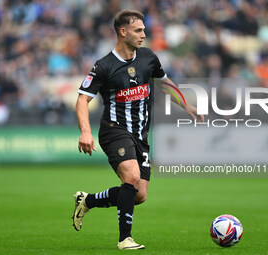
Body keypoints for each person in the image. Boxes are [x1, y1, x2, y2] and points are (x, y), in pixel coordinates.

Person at [73, 10, 204, 250]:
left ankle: (88, 201)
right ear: (123, 32)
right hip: (114, 130)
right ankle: (125, 239)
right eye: (138, 30)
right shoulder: (104, 66)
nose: (144, 34)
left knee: (138, 194)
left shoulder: (148, 58)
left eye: (144, 30)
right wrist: (85, 132)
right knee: (131, 177)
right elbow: (82, 99)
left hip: (141, 135)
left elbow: (165, 84)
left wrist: (187, 105)